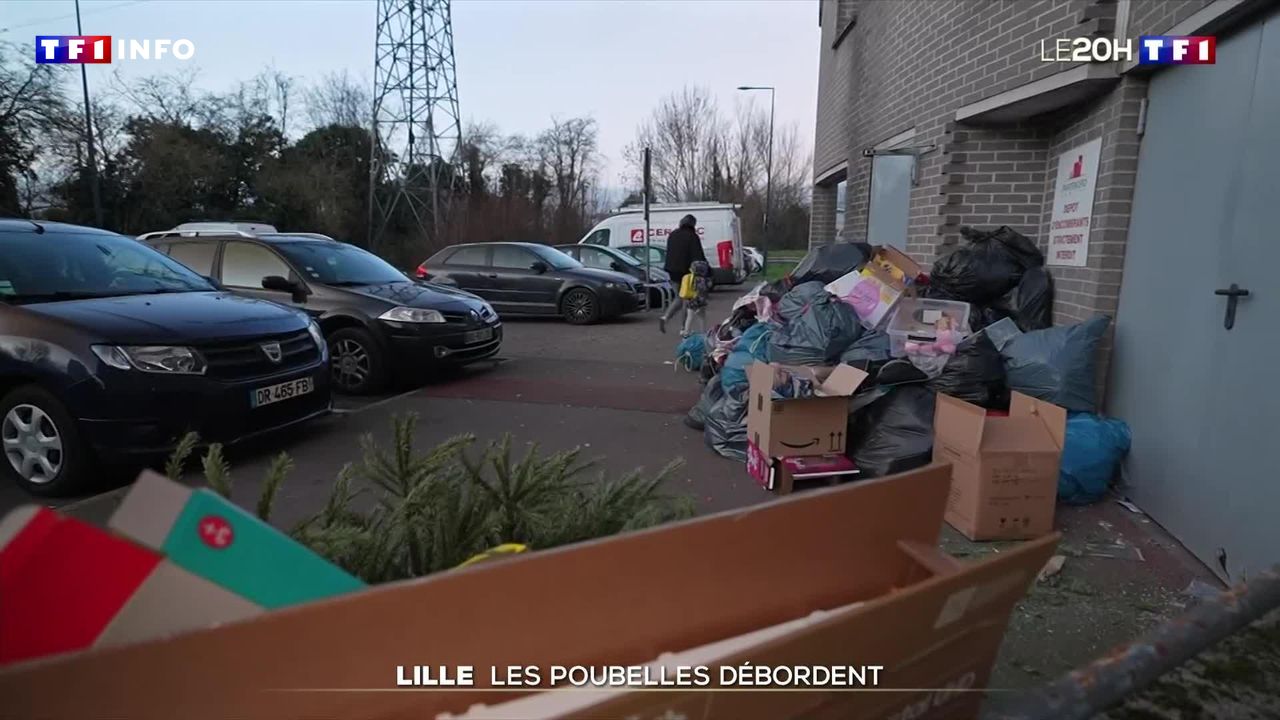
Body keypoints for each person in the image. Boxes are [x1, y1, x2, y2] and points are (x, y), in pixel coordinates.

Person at [659, 214, 707, 334]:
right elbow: (698, 255)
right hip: (686, 271)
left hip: (672, 270)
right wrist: (707, 270)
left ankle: (665, 317)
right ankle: (684, 328)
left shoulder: (673, 234)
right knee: (687, 298)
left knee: (679, 297)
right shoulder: (692, 236)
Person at [681, 260, 713, 338]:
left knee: (690, 316)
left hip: (691, 299)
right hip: (699, 301)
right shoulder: (702, 279)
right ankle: (702, 332)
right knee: (701, 317)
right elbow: (702, 291)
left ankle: (686, 331)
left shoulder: (691, 278)